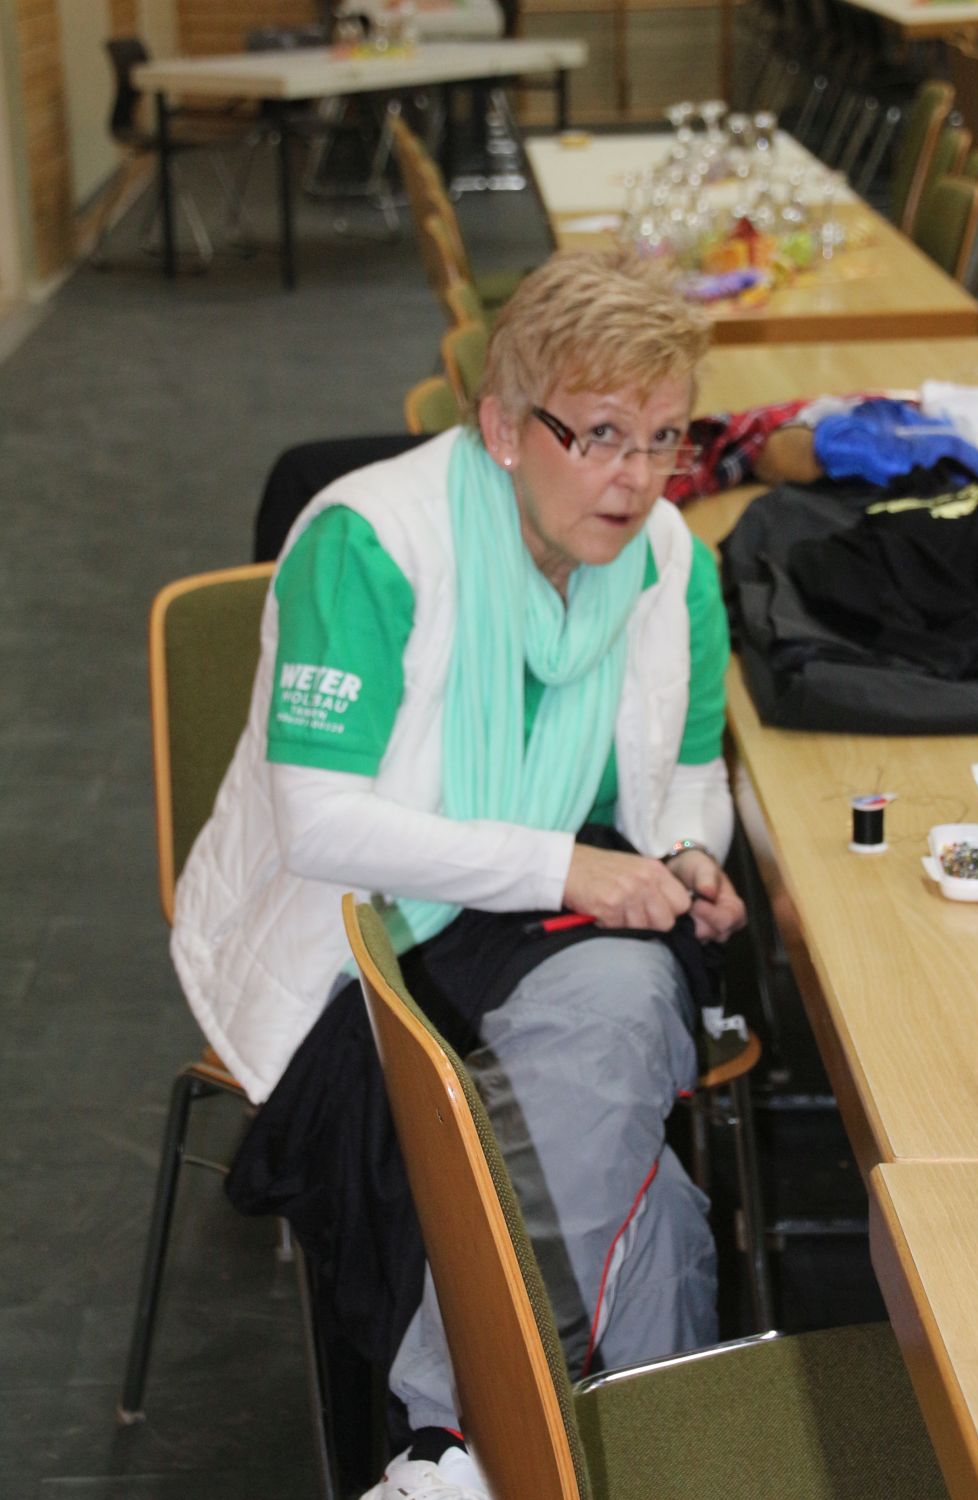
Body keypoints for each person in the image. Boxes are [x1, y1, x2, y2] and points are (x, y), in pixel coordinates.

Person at [172, 248, 746, 1500]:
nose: (637, 476)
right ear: (500, 427)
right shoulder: (370, 538)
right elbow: (320, 824)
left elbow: (692, 775)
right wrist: (566, 867)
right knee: (635, 1138)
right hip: (355, 939)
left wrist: (692, 848)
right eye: (599, 434)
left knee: (618, 1035)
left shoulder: (671, 562)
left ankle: (449, 1453)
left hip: (540, 919)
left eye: (664, 436)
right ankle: (529, 1440)